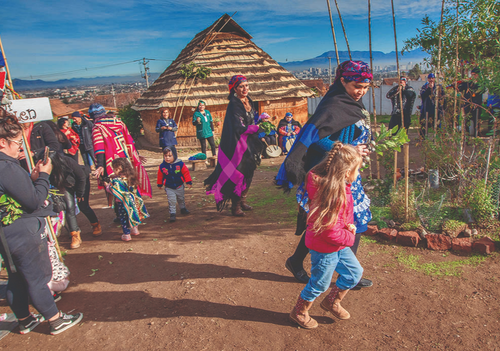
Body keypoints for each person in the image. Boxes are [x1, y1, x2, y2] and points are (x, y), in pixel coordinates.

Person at [275, 60, 373, 290]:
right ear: (343, 81)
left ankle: (346, 273)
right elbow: (316, 139)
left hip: (348, 174)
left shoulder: (351, 103)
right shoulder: (333, 105)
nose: (361, 91)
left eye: (366, 87)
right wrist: (346, 149)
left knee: (353, 220)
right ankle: (300, 262)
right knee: (329, 223)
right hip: (330, 175)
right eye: (357, 85)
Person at [0, 110, 83, 335]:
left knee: (16, 277)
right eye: (17, 142)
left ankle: (25, 319)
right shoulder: (5, 167)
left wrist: (31, 179)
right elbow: (34, 200)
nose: (21, 146)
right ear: (2, 142)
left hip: (5, 235)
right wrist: (44, 176)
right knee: (37, 277)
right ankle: (56, 320)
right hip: (22, 232)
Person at [289, 143, 363, 329]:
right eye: (357, 169)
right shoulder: (332, 196)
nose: (358, 173)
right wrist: (349, 236)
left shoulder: (341, 187)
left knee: (354, 273)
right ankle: (299, 311)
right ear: (346, 173)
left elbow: (341, 218)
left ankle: (331, 302)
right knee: (319, 284)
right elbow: (330, 232)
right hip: (325, 248)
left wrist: (347, 225)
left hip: (337, 244)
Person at [204, 75, 263, 216]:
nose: (245, 89)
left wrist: (259, 122)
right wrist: (256, 128)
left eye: (247, 85)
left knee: (249, 172)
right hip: (236, 145)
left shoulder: (249, 101)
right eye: (241, 86)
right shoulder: (234, 105)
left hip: (248, 142)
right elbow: (238, 126)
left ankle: (242, 200)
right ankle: (235, 206)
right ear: (234, 89)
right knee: (238, 174)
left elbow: (252, 119)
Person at [89, 103, 152, 198]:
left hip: (110, 162)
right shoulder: (119, 123)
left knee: (115, 188)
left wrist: (100, 165)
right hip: (126, 159)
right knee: (130, 182)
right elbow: (130, 141)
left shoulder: (98, 127)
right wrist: (136, 154)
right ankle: (136, 205)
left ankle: (121, 208)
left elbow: (99, 148)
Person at [42, 151, 101, 249]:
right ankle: (75, 234)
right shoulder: (48, 169)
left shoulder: (68, 162)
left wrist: (80, 193)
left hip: (81, 183)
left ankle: (95, 224)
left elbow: (81, 177)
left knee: (83, 206)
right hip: (65, 185)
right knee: (69, 208)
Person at [106, 157, 149, 242]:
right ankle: (135, 229)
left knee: (124, 218)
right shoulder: (131, 177)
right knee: (132, 214)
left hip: (122, 203)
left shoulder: (117, 181)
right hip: (133, 201)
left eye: (115, 169)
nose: (114, 171)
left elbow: (112, 189)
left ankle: (126, 234)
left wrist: (106, 185)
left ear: (119, 169)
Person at [157, 147, 192, 222]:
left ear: (174, 155)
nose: (167, 158)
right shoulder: (162, 166)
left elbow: (186, 173)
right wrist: (159, 184)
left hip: (179, 185)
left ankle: (183, 208)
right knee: (171, 200)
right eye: (166, 156)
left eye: (170, 156)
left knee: (181, 198)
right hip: (169, 187)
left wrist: (188, 182)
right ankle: (172, 213)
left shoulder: (180, 164)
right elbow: (160, 175)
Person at [457, 67, 484, 136]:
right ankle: (467, 137)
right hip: (467, 106)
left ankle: (477, 137)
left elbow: (478, 92)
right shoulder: (468, 83)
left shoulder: (481, 84)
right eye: (472, 74)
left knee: (476, 122)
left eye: (475, 74)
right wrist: (456, 85)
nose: (473, 76)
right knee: (467, 122)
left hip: (477, 106)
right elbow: (459, 88)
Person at [419, 73, 446, 138]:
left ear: (434, 79)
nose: (431, 80)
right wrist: (429, 89)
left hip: (436, 108)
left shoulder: (439, 87)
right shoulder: (424, 87)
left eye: (432, 78)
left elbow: (443, 97)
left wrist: (443, 107)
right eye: (429, 78)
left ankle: (438, 138)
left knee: (437, 124)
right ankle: (422, 138)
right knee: (424, 123)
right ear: (428, 79)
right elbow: (423, 96)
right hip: (427, 108)